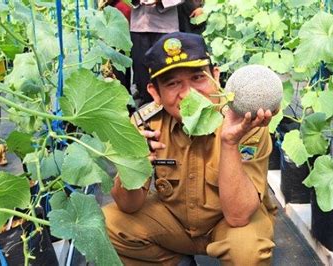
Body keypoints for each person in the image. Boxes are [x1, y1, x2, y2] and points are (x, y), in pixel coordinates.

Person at [103, 32, 277, 265]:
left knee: (248, 250)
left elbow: (239, 216)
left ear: (216, 76)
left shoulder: (245, 123)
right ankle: (177, 261)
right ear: (155, 93)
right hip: (174, 225)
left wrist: (229, 143)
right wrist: (135, 160)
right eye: (173, 83)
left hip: (228, 224)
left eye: (197, 77)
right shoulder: (146, 124)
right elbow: (128, 205)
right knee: (107, 224)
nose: (188, 93)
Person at [130, 0, 184, 106]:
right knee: (141, 69)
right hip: (139, 25)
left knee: (168, 69)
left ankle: (171, 106)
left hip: (166, 26)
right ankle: (147, 106)